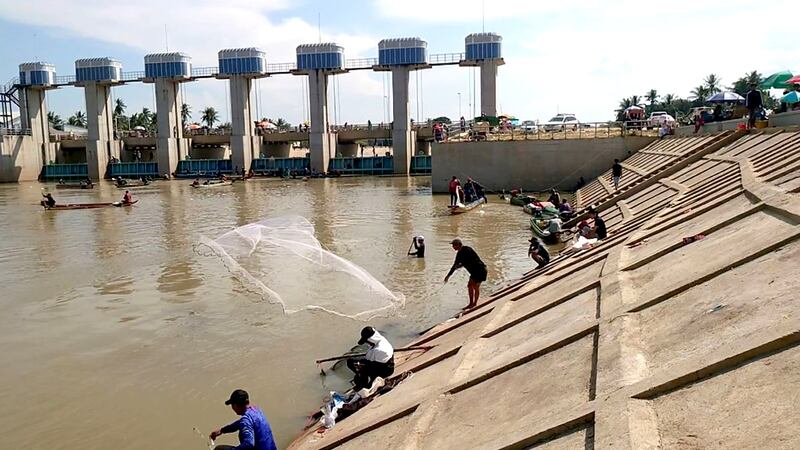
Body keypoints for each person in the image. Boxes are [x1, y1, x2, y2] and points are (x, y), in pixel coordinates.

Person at [209, 389, 277, 450]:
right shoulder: (256, 410)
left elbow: (249, 444)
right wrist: (222, 430)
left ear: (235, 405)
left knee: (219, 449)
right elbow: (241, 423)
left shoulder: (246, 421)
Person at [346, 326, 395, 391]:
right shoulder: (381, 340)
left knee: (357, 374)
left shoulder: (379, 350)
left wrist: (361, 366)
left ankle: (364, 384)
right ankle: (364, 380)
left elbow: (375, 366)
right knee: (351, 361)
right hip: (381, 364)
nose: (367, 343)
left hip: (384, 370)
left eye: (367, 341)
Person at [444, 239, 488, 310]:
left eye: (454, 245)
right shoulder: (459, 254)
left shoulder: (467, 249)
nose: (453, 247)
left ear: (459, 244)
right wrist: (448, 276)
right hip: (474, 272)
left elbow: (470, 260)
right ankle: (471, 304)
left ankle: (474, 304)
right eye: (453, 245)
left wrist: (461, 265)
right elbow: (455, 265)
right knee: (470, 286)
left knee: (474, 286)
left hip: (480, 269)